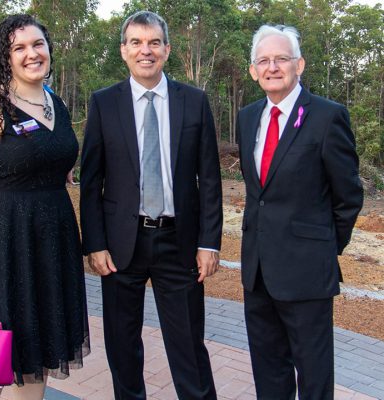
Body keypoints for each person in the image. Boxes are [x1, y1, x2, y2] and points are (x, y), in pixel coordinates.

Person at [80, 11, 222, 400]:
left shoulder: (193, 101)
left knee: (189, 346)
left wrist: (210, 243)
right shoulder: (104, 103)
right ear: (124, 50)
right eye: (137, 43)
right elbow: (91, 182)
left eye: (154, 42)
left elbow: (209, 179)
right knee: (123, 346)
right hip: (120, 244)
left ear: (167, 49)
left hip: (180, 244)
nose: (146, 51)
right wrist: (94, 243)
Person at [0, 14, 89, 400]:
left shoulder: (56, 104)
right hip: (4, 246)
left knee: (37, 352)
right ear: (6, 56)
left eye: (37, 44)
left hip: (51, 246)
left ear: (49, 48)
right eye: (19, 48)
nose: (32, 54)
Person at [237, 25, 364, 399]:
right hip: (257, 273)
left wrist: (322, 248)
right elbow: (258, 195)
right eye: (263, 60)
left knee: (314, 377)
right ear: (253, 70)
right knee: (269, 373)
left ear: (299, 65)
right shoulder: (247, 119)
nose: (272, 67)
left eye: (281, 59)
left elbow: (348, 196)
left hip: (307, 274)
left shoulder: (327, 117)